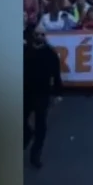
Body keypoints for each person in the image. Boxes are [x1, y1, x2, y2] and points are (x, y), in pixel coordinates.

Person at [24, 23, 64, 169]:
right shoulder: (25, 51)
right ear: (33, 35)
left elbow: (56, 74)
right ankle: (27, 134)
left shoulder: (50, 54)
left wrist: (58, 93)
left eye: (43, 34)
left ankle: (36, 153)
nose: (40, 37)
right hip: (25, 92)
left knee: (41, 125)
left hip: (42, 93)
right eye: (37, 34)